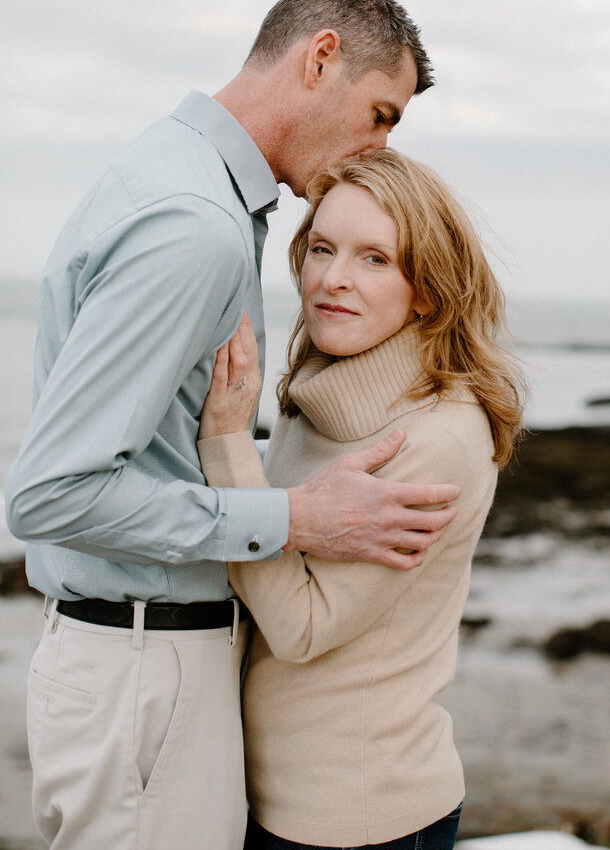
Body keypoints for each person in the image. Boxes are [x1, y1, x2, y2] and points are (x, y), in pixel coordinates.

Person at [5, 0, 462, 850]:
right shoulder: (197, 223)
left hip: (130, 667)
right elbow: (49, 493)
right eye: (381, 114)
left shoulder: (168, 170)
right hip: (146, 671)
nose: (376, 148)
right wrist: (292, 516)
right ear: (320, 58)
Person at [197, 149, 525, 850]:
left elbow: (302, 627)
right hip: (265, 794)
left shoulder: (438, 437)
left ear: (428, 289)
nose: (333, 280)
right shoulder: (319, 387)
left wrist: (226, 442)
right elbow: (283, 522)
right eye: (322, 248)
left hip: (355, 816)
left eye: (375, 258)